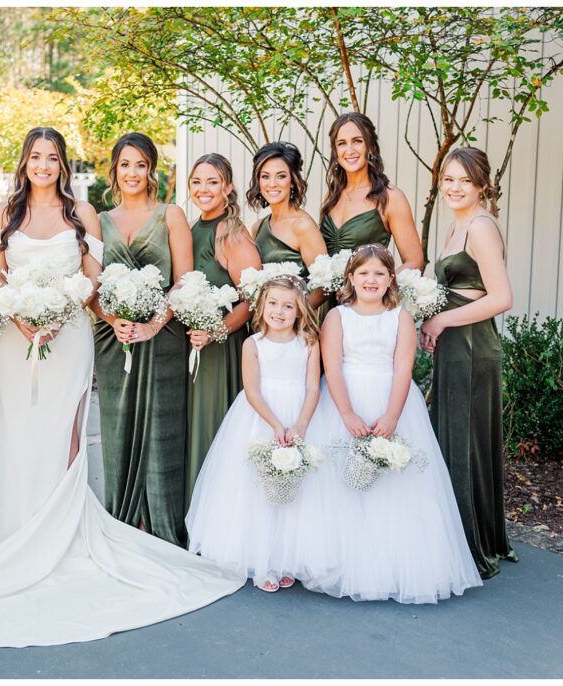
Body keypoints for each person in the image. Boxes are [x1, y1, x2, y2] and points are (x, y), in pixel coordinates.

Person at [0, 127, 244, 649]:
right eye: (35, 156)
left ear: (63, 164)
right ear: (24, 163)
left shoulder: (84, 214)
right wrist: (22, 316)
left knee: (63, 436)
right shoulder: (5, 212)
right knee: (16, 432)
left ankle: (65, 538)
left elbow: (93, 281)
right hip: (15, 335)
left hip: (70, 335)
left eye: (52, 157)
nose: (44, 165)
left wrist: (93, 314)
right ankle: (15, 536)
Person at [302, 244, 482, 603]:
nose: (372, 280)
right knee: (339, 482)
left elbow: (403, 366)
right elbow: (332, 365)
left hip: (391, 398)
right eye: (364, 273)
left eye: (380, 274)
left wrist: (393, 414)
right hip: (343, 399)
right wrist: (347, 413)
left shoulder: (399, 316)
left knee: (396, 485)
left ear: (390, 279)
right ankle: (342, 560)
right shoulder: (337, 316)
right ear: (351, 278)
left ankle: (393, 563)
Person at [187, 275, 321, 592]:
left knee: (296, 490)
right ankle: (262, 564)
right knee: (260, 489)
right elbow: (253, 391)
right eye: (273, 303)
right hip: (261, 419)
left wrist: (301, 423)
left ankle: (287, 559)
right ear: (262, 306)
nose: (279, 311)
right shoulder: (253, 344)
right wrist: (275, 425)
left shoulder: (310, 343)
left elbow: (314, 386)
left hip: (300, 415)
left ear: (300, 310)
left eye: (288, 306)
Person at [92, 132, 194, 546]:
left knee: (161, 432)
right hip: (112, 341)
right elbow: (91, 287)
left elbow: (185, 280)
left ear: (151, 169)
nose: (132, 172)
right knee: (117, 429)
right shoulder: (98, 222)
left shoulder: (171, 215)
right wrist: (112, 317)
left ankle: (163, 528)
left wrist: (154, 323)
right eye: (125, 164)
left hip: (163, 338)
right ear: (114, 170)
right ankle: (123, 523)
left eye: (140, 164)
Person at [422, 146, 518, 579]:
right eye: (449, 180)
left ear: (482, 185)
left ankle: (470, 543)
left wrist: (441, 320)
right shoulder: (454, 225)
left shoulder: (480, 227)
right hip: (453, 342)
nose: (455, 188)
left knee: (466, 440)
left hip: (474, 347)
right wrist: (429, 323)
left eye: (464, 180)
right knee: (453, 437)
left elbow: (501, 298)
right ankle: (456, 534)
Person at [184, 153, 261, 506]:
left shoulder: (232, 236)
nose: (204, 189)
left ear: (228, 188)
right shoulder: (189, 229)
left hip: (222, 350)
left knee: (213, 430)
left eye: (212, 182)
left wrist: (217, 331)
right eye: (197, 182)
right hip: (193, 348)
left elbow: (253, 299)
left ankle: (216, 515)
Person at [318, 113, 423, 320]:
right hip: (330, 310)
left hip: (368, 309)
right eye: (342, 143)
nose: (349, 150)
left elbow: (415, 261)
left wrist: (368, 286)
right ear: (335, 152)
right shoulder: (332, 195)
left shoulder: (390, 197)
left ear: (371, 147)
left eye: (357, 141)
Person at [247, 141, 327, 309]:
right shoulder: (257, 228)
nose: (272, 183)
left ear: (292, 180)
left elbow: (324, 287)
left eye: (281, 176)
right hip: (263, 324)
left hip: (293, 326)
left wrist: (293, 317)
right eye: (265, 176)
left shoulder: (302, 226)